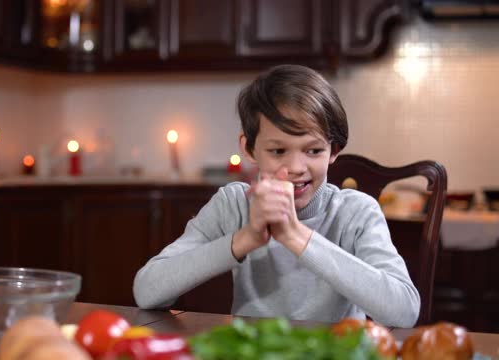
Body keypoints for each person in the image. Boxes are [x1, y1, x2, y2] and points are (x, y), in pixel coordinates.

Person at [133, 64, 419, 328]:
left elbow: (404, 311)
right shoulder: (233, 204)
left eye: (313, 150)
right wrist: (246, 239)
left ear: (334, 150)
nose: (295, 168)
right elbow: (146, 291)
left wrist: (295, 236)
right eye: (278, 151)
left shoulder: (356, 212)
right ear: (249, 148)